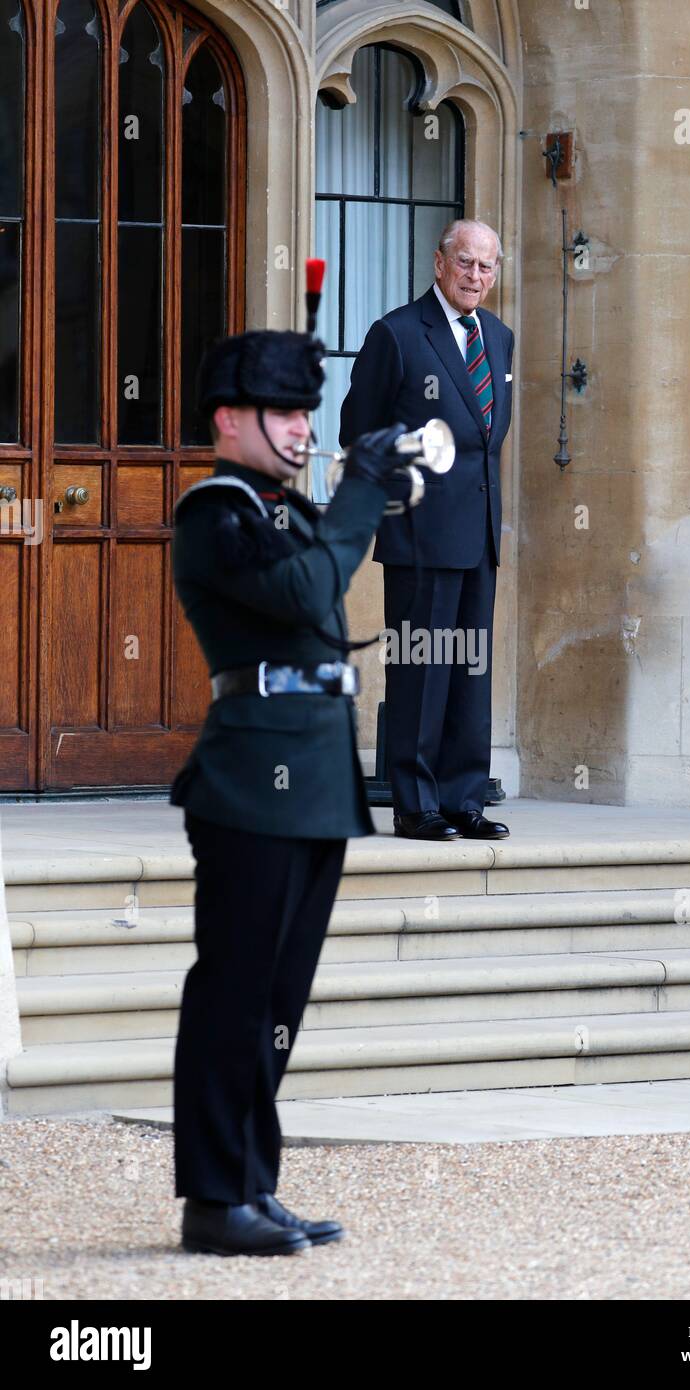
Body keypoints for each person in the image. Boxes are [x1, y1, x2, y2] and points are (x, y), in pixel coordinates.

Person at [168, 327, 407, 1257]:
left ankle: (253, 1184)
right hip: (252, 782)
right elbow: (313, 591)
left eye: (310, 413)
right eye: (285, 412)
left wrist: (386, 485)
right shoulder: (214, 513)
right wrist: (361, 492)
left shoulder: (284, 509)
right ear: (231, 419)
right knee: (233, 992)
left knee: (279, 999)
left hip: (312, 781)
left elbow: (327, 568)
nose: (304, 429)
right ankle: (213, 1197)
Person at [339, 219, 514, 842]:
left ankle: (464, 798)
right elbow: (357, 432)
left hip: (480, 535)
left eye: (487, 267)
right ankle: (415, 805)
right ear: (439, 263)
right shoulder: (397, 334)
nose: (475, 277)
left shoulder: (499, 337)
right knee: (423, 667)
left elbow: (488, 440)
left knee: (470, 670)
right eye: (465, 263)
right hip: (420, 535)